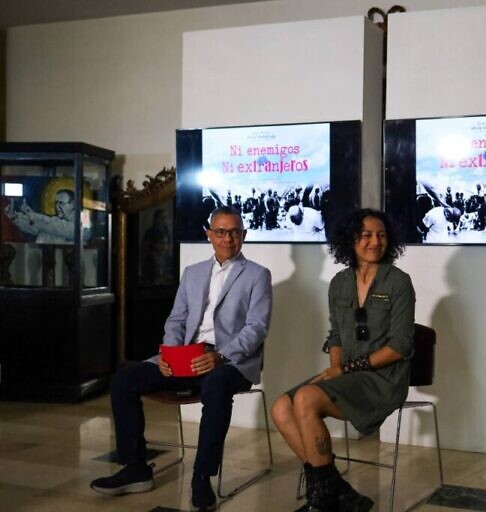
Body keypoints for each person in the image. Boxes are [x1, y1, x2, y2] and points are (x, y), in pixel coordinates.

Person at [90, 206, 272, 511]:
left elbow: (257, 327)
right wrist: (169, 353)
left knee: (216, 385)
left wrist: (220, 356)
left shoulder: (257, 275)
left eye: (234, 232)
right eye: (221, 232)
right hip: (187, 356)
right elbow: (177, 319)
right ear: (209, 234)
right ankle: (135, 467)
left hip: (231, 361)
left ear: (244, 235)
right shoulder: (193, 273)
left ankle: (202, 476)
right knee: (123, 380)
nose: (228, 238)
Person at [271, 208, 414, 512]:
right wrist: (337, 369)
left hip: (383, 381)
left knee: (306, 398)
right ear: (350, 239)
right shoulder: (339, 283)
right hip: (348, 376)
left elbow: (400, 347)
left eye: (381, 235)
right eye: (366, 235)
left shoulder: (398, 282)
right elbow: (336, 336)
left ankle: (322, 501)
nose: (375, 241)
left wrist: (344, 369)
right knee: (281, 407)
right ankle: (336, 491)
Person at [4, 189, 76, 243]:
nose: (57, 207)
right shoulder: (56, 219)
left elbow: (54, 226)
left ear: (73, 204)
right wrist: (14, 217)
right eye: (56, 203)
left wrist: (32, 215)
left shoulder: (78, 225)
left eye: (61, 203)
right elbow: (34, 228)